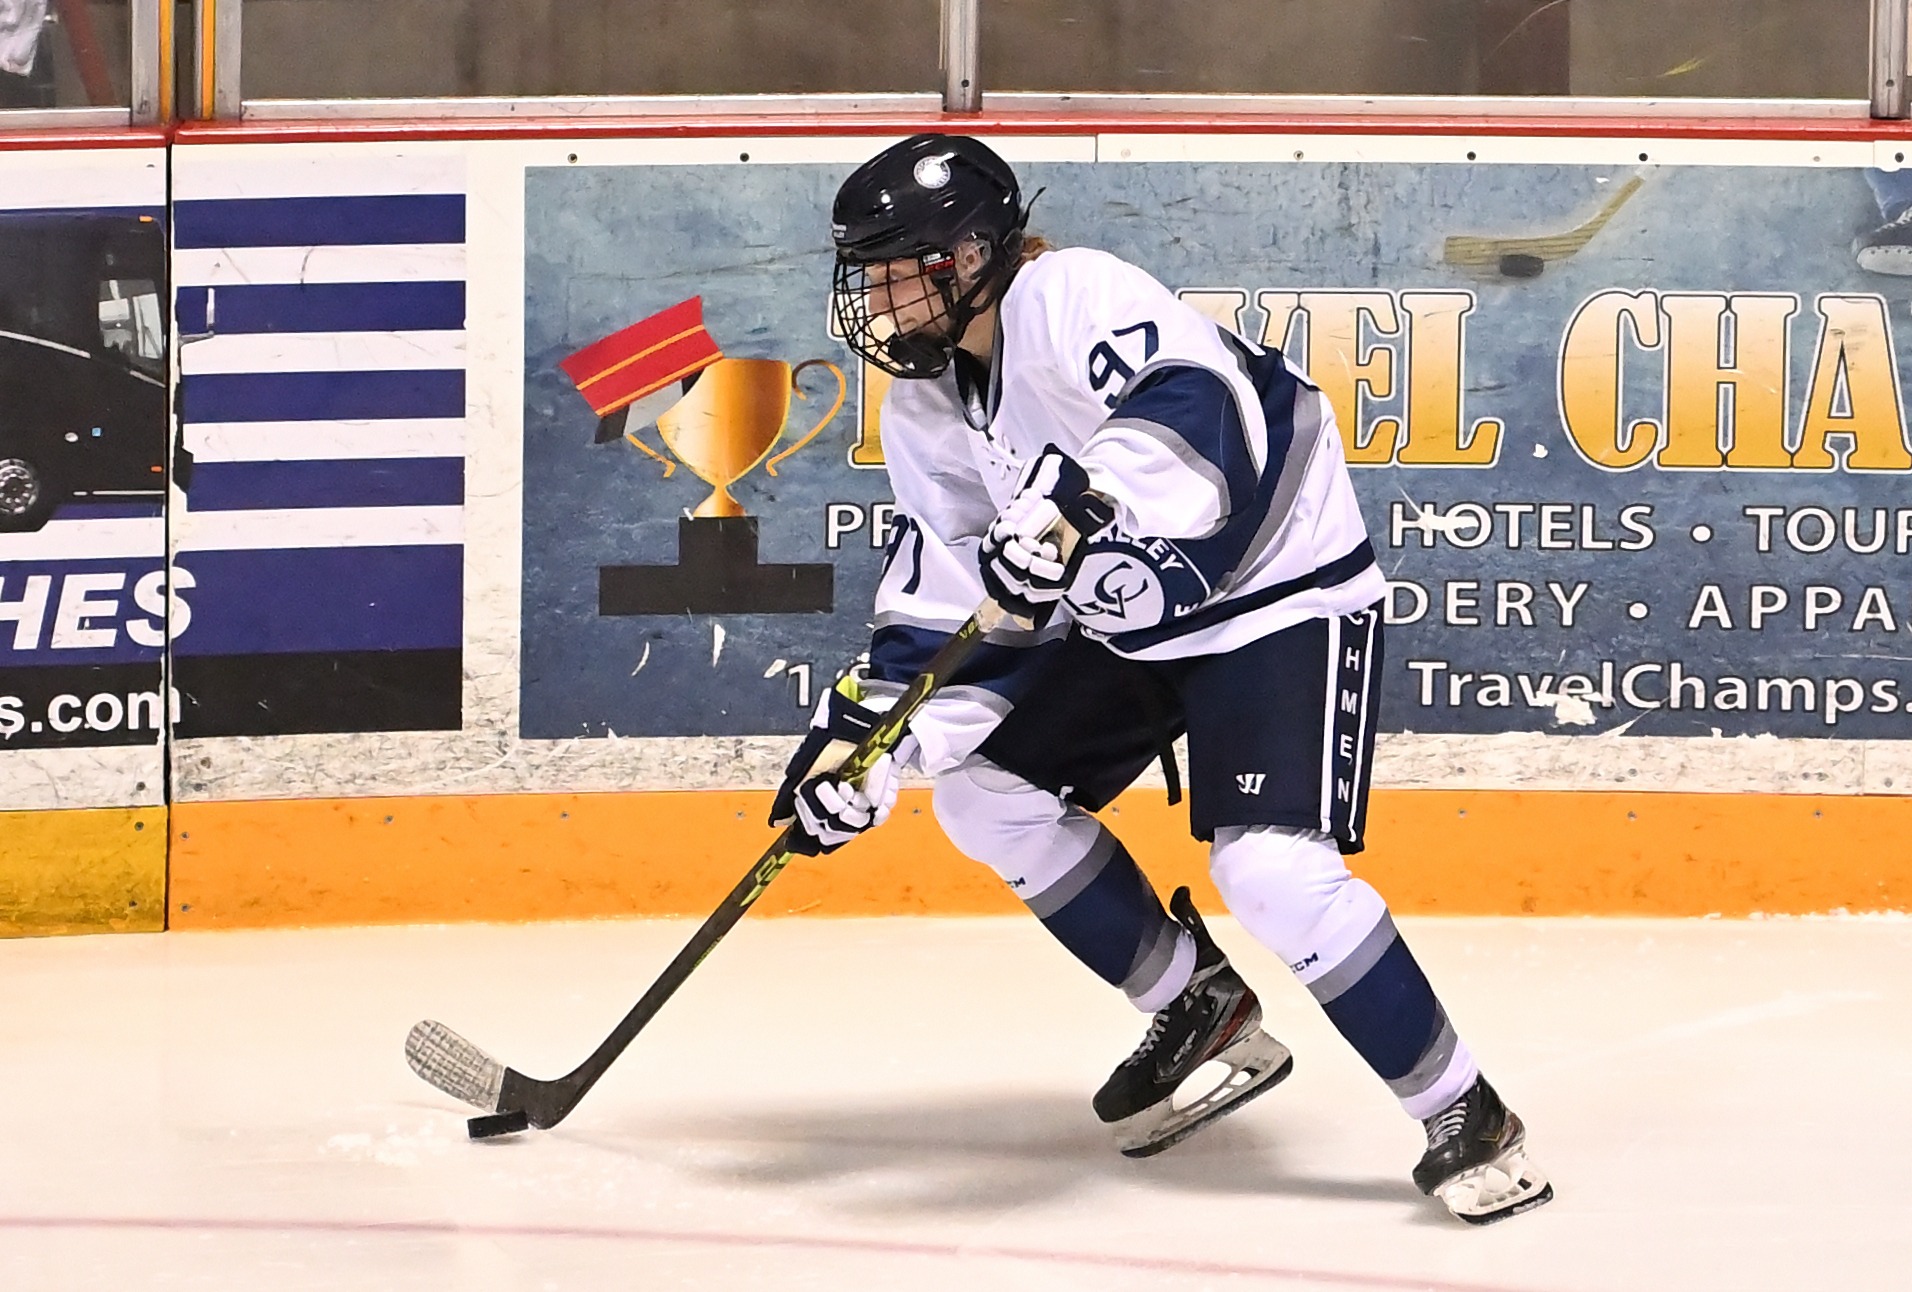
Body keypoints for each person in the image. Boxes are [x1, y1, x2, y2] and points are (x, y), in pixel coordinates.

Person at [770, 133, 1552, 1225]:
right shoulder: (926, 407)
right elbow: (951, 601)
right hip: (1124, 624)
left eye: (903, 267)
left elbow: (1200, 409)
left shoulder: (1069, 293)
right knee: (980, 794)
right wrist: (869, 746)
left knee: (1273, 872)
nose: (884, 299)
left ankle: (1466, 1110)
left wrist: (1071, 507)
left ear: (973, 255)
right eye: (872, 275)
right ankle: (1197, 1004)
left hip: (1272, 597)